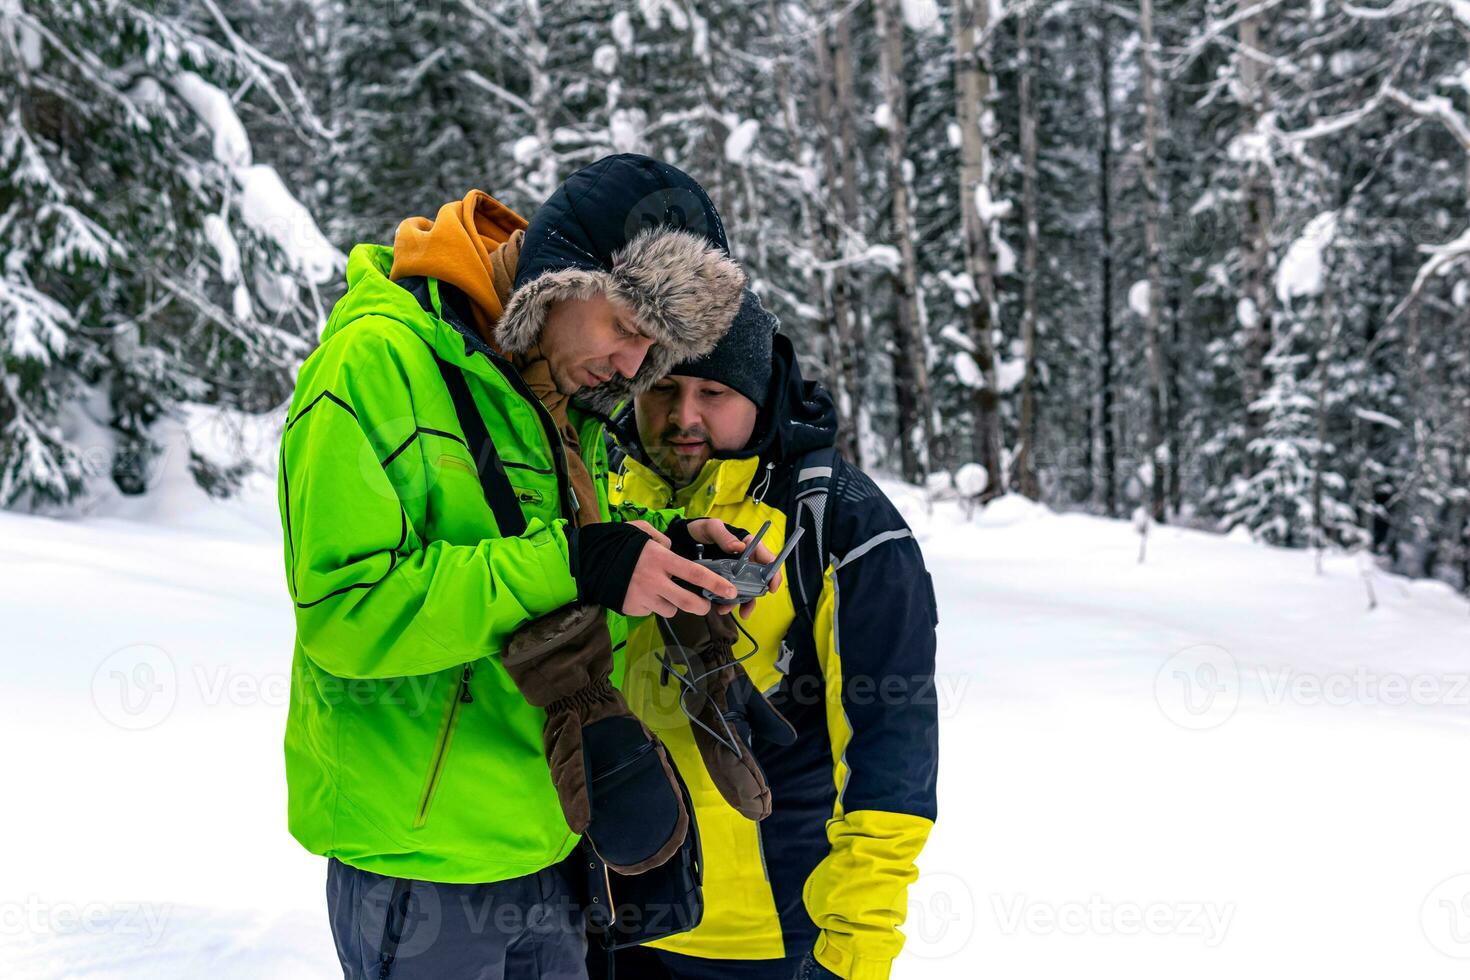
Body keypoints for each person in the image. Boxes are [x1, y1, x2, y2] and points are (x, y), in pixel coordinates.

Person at [276, 153, 769, 980]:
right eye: (627, 326)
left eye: (653, 344)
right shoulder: (373, 365)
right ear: (562, 276)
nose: (630, 364)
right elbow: (348, 612)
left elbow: (554, 553)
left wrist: (664, 551)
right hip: (423, 857)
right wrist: (581, 565)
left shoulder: (547, 388)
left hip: (552, 833)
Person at [604, 289, 941, 980]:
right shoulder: (592, 496)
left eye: (713, 392)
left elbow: (891, 751)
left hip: (775, 939)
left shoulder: (840, 523)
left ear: (761, 397)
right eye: (663, 386)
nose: (683, 416)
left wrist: (856, 941)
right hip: (608, 918)